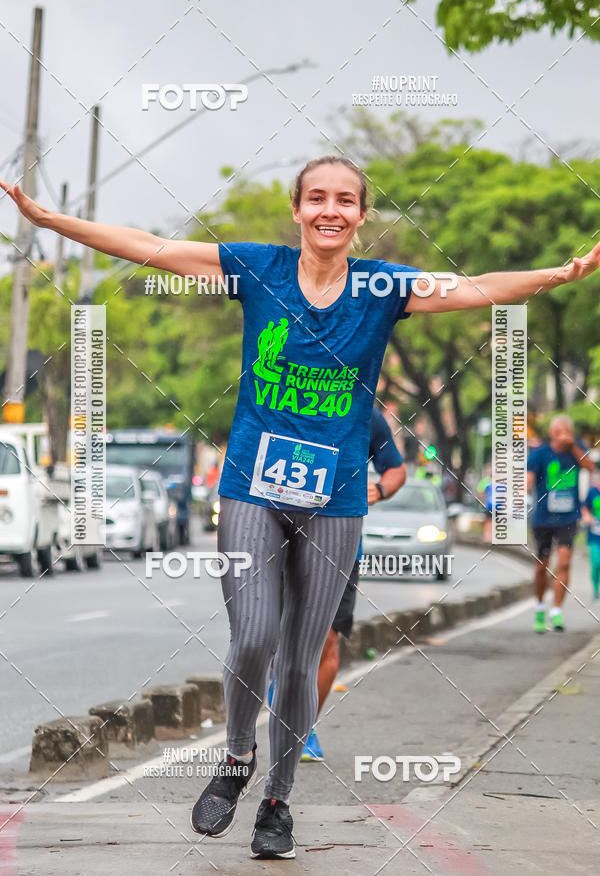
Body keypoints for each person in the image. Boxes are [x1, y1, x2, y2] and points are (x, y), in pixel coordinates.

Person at [2, 157, 599, 861]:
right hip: (252, 485)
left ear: (361, 216)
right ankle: (234, 758)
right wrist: (48, 221)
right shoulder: (259, 269)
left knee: (302, 658)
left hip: (337, 498)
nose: (331, 211)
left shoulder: (383, 287)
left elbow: (475, 289)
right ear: (297, 208)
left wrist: (558, 275)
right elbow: (151, 247)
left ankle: (278, 802)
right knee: (252, 636)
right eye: (317, 197)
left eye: (346, 201)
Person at [294, 404, 406, 762]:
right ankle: (278, 683)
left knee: (327, 639)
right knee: (277, 634)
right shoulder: (288, 402)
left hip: (343, 545)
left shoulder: (366, 415)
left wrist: (380, 489)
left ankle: (303, 728)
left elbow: (396, 470)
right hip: (284, 537)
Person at [527, 416, 595, 633]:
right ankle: (539, 606)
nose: (565, 433)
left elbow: (590, 467)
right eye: (561, 430)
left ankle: (556, 610)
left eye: (568, 429)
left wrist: (574, 445)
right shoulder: (540, 454)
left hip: (568, 518)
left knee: (564, 562)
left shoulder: (576, 450)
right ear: (553, 432)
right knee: (542, 565)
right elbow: (527, 481)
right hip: (543, 519)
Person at [581, 469, 600, 600]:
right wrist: (587, 515)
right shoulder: (593, 492)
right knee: (596, 562)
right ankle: (595, 589)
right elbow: (584, 506)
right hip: (594, 535)